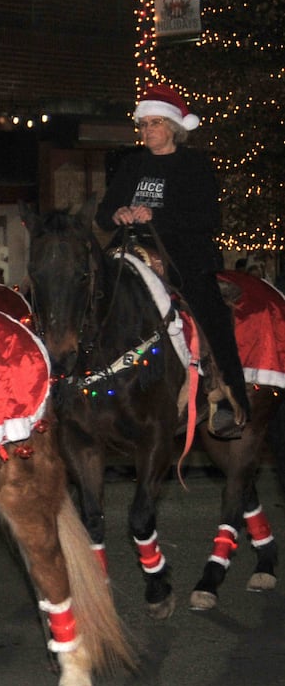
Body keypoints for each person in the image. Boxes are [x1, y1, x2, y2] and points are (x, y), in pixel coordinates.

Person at [95, 83, 248, 437]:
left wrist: (156, 216)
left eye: (154, 124)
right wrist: (117, 214)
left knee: (210, 311)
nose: (147, 131)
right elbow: (103, 214)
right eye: (143, 124)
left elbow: (208, 217)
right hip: (132, 251)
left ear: (173, 127)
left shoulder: (193, 164)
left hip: (184, 256)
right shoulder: (131, 164)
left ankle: (230, 397)